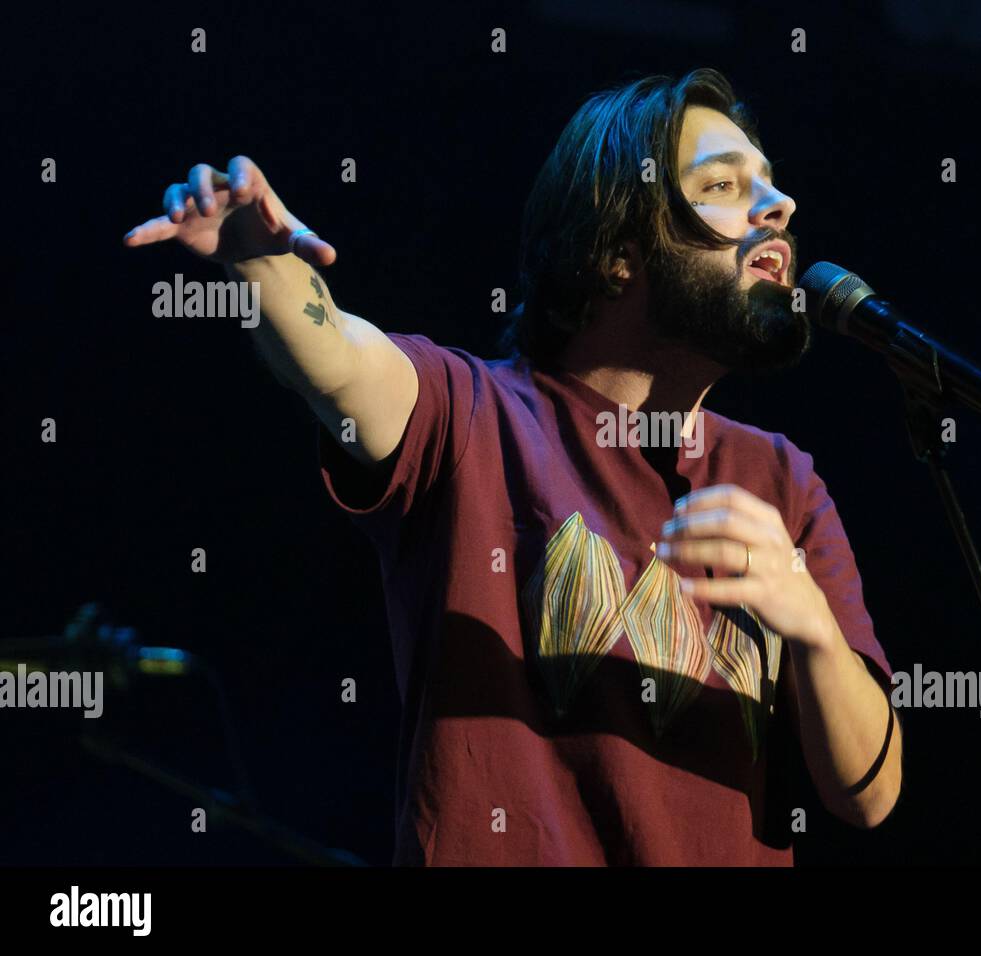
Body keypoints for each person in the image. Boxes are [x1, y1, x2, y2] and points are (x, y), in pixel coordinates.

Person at [123, 68, 902, 866]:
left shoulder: (782, 480)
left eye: (768, 183)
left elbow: (868, 794)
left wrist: (806, 616)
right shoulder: (473, 416)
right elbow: (340, 361)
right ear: (618, 254)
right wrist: (259, 266)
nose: (778, 207)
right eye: (723, 185)